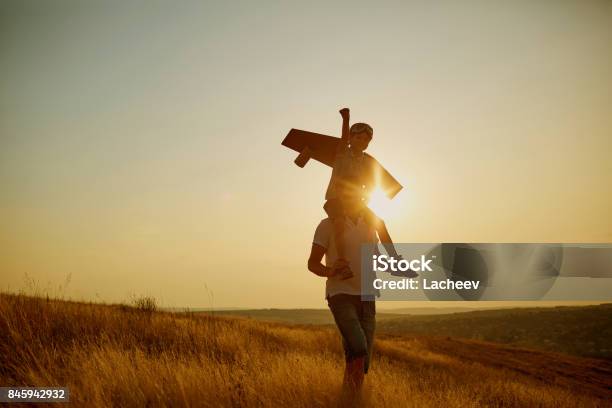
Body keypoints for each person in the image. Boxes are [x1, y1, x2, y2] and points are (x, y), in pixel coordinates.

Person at [324, 108, 407, 280]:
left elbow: (371, 182)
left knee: (380, 223)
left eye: (366, 139)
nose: (363, 141)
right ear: (351, 138)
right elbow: (343, 138)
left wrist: (367, 195)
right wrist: (346, 118)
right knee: (339, 223)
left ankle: (395, 261)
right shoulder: (342, 153)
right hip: (335, 200)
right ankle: (342, 262)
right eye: (359, 137)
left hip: (356, 203)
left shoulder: (367, 161)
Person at [307, 200, 380, 391]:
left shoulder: (372, 224)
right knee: (358, 347)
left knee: (362, 360)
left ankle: (349, 398)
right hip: (340, 294)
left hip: (367, 296)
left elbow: (376, 257)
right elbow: (312, 263)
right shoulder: (328, 224)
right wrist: (330, 271)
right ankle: (350, 398)